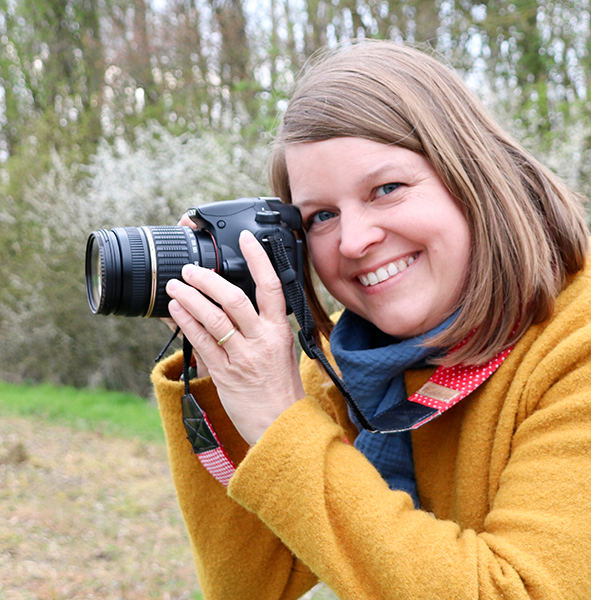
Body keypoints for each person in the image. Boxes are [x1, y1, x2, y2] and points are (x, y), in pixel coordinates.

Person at [152, 40, 591, 600]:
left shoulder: (575, 345)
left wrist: (281, 429)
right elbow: (256, 589)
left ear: (474, 178)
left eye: (387, 189)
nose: (356, 241)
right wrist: (222, 362)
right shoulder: (343, 366)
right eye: (322, 216)